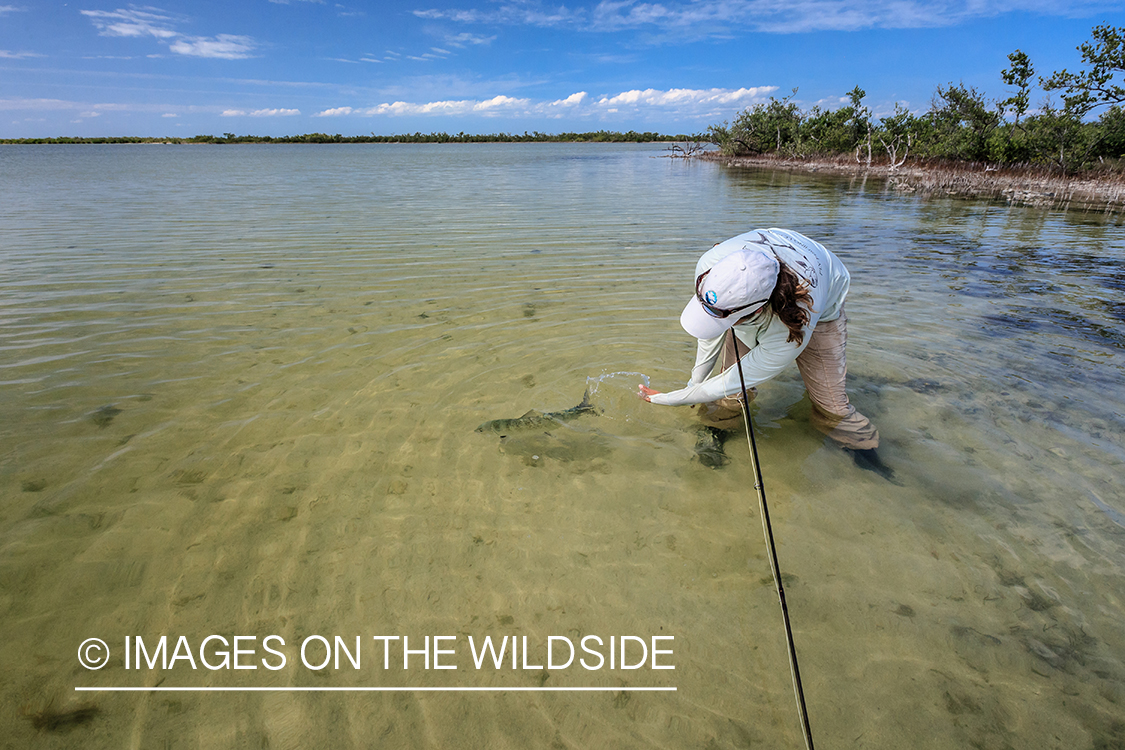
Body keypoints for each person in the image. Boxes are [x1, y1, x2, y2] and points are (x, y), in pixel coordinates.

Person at [638, 228, 894, 480]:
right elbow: (710, 331)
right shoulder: (711, 265)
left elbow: (734, 378)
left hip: (819, 307)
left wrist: (673, 398)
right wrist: (695, 382)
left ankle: (866, 452)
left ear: (755, 310)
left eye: (726, 316)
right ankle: (717, 429)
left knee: (832, 407)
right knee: (730, 397)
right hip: (755, 296)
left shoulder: (796, 324)